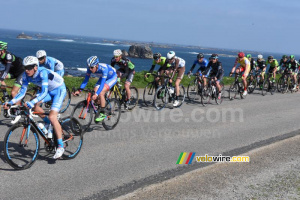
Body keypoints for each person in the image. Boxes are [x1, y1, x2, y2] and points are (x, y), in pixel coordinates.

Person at [4, 56, 67, 159]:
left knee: (52, 116)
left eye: (29, 68)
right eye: (25, 67)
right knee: (35, 106)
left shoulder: (43, 72)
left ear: (36, 67)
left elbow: (44, 91)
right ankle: (47, 123)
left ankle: (60, 146)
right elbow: (22, 92)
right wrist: (11, 102)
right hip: (49, 91)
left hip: (59, 90)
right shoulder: (25, 75)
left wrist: (32, 102)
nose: (27, 70)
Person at [73, 56, 117, 121]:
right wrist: (79, 90)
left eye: (91, 67)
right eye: (89, 67)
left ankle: (103, 113)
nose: (90, 69)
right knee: (94, 91)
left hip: (112, 78)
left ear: (96, 65)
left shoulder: (103, 69)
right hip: (103, 77)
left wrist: (97, 94)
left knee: (101, 93)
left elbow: (102, 84)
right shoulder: (90, 68)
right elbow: (86, 80)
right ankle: (101, 106)